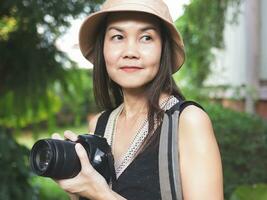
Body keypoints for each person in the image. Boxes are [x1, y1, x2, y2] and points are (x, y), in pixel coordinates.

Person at [52, 0, 224, 199]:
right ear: (103, 48)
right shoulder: (99, 124)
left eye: (146, 37)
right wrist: (77, 187)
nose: (130, 52)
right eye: (117, 37)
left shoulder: (188, 121)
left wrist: (101, 193)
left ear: (163, 49)